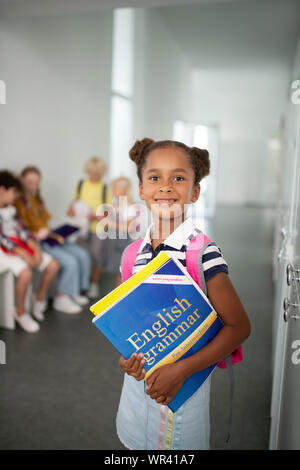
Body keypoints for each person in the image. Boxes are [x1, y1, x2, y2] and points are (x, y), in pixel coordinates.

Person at [116, 138, 251, 450]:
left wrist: (181, 370)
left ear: (194, 191)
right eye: (154, 178)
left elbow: (239, 327)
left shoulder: (203, 254)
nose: (165, 187)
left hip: (184, 391)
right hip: (135, 394)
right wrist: (126, 360)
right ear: (141, 190)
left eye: (178, 178)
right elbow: (129, 323)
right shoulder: (131, 255)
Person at [14, 166, 90, 315]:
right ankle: (61, 298)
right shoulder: (17, 203)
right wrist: (36, 235)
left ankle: (73, 292)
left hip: (49, 236)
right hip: (37, 241)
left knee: (82, 254)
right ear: (21, 181)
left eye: (36, 183)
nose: (34, 187)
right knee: (70, 261)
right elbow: (19, 230)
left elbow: (44, 220)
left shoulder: (37, 199)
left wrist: (48, 231)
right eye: (30, 182)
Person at [0, 170, 59, 333]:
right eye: (13, 193)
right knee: (26, 273)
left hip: (21, 245)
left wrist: (34, 249)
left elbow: (23, 231)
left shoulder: (11, 209)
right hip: (6, 251)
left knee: (52, 265)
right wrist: (23, 253)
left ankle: (38, 300)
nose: (14, 198)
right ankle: (20, 312)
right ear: (2, 190)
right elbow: (3, 238)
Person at [66, 156, 112, 299]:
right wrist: (72, 210)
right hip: (81, 228)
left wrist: (94, 215)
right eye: (92, 173)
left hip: (98, 229)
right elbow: (73, 204)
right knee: (81, 256)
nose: (94, 177)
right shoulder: (80, 185)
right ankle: (81, 284)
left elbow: (108, 211)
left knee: (96, 257)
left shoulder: (105, 188)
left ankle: (93, 284)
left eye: (97, 174)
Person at [100, 176, 141, 287]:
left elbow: (128, 228)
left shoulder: (130, 207)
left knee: (121, 271)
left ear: (124, 190)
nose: (112, 190)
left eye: (115, 188)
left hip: (123, 243)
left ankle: (120, 296)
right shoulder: (116, 205)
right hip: (114, 242)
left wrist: (109, 223)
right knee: (116, 271)